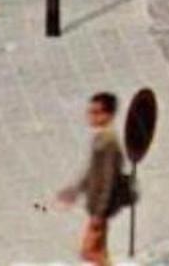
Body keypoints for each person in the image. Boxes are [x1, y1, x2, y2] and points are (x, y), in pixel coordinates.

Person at [55, 92, 129, 266]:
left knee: (88, 252)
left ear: (108, 115)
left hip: (101, 207)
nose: (91, 116)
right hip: (97, 205)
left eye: (96, 112)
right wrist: (75, 190)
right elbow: (91, 172)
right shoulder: (100, 139)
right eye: (90, 111)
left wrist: (100, 212)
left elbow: (110, 179)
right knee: (99, 251)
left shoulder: (110, 143)